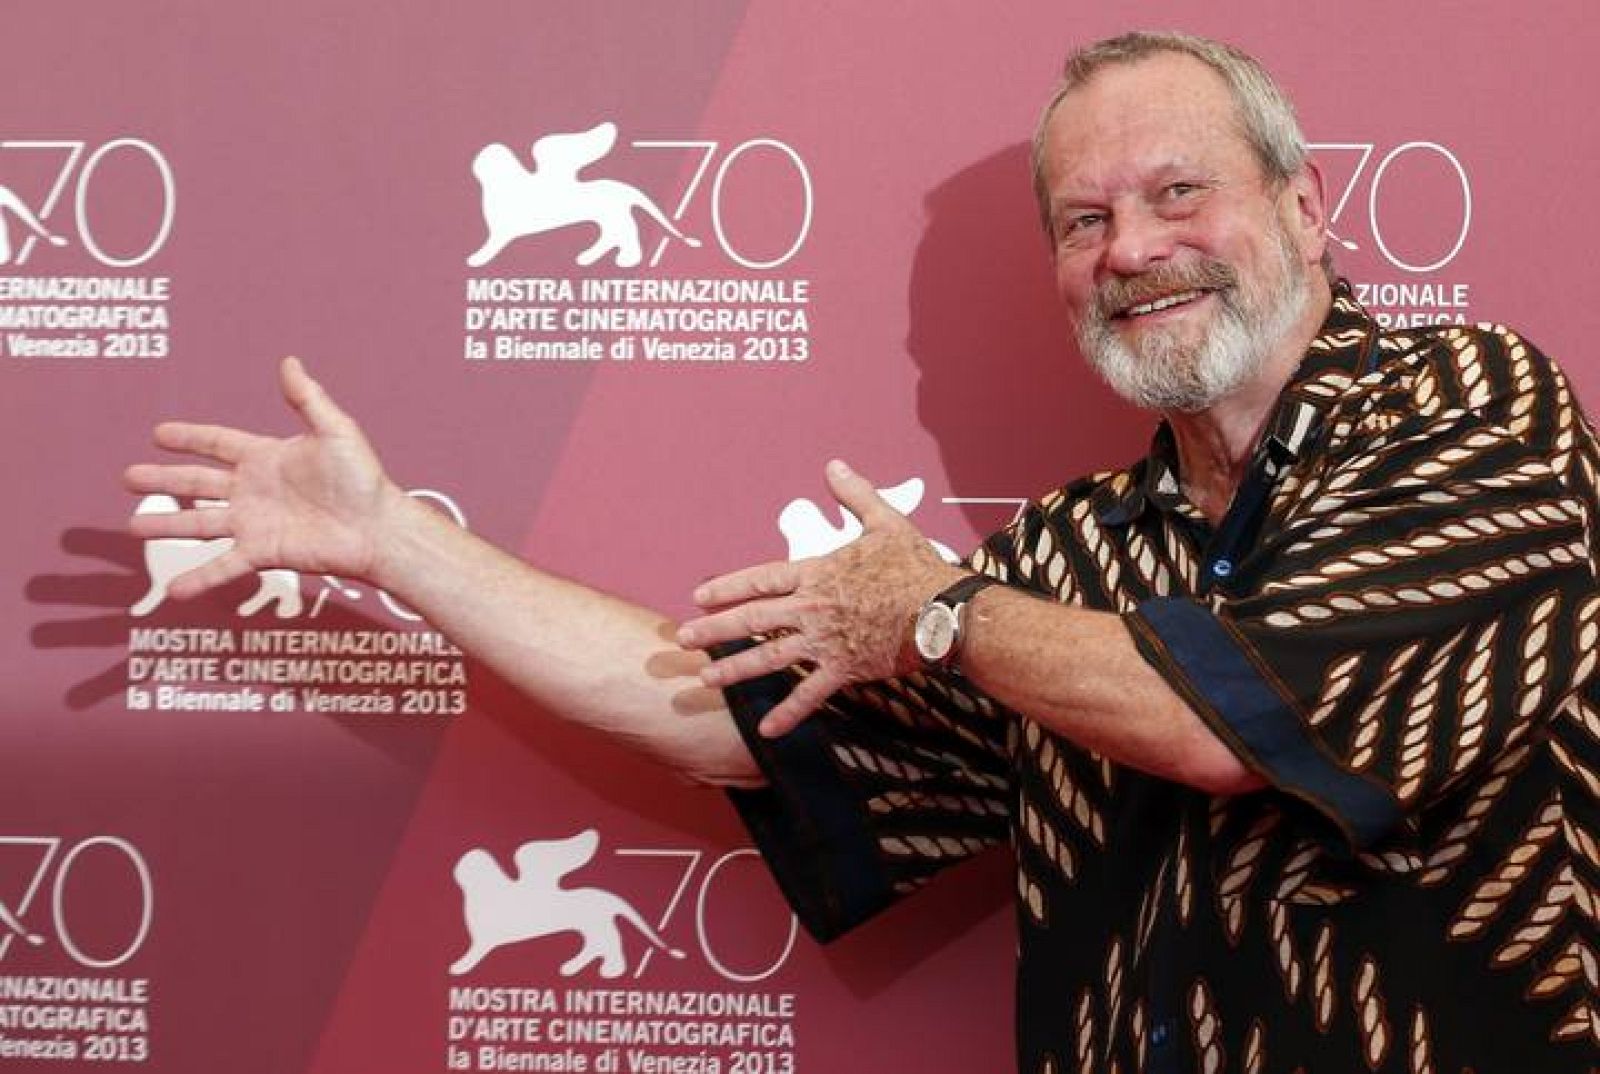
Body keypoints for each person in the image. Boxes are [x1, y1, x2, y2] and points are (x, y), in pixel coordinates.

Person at [126, 31, 1600, 1074]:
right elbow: (728, 708)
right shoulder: (1076, 553)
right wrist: (398, 544)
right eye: (1081, 219)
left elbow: (1224, 711)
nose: (1129, 248)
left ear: (1303, 207)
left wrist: (942, 612)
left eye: (1174, 192)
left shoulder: (1474, 405)